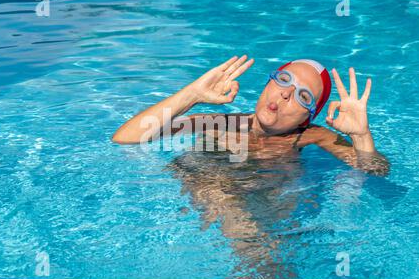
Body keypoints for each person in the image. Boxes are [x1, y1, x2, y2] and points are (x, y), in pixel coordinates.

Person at [112, 55, 389, 176]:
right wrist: (192, 96)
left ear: (307, 117)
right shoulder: (220, 123)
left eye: (303, 96)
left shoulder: (313, 135)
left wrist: (361, 135)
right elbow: (125, 139)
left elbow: (374, 171)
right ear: (268, 83)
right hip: (206, 200)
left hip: (258, 214)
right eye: (283, 80)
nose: (285, 95)